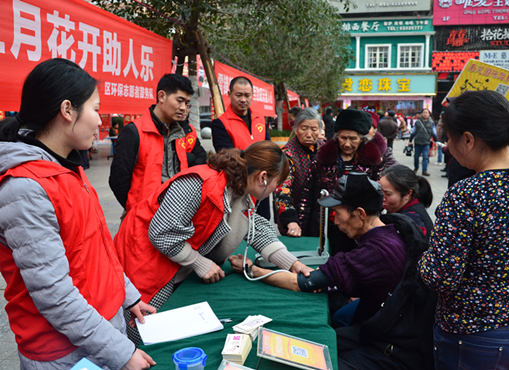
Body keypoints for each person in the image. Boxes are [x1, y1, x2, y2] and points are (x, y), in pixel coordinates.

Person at [0, 59, 155, 369]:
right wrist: (120, 352)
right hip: (62, 352)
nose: (100, 121)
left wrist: (129, 296)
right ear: (67, 110)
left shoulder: (67, 167)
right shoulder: (26, 189)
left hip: (98, 329)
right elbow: (54, 294)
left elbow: (97, 249)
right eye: (96, 109)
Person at [229, 172, 437, 370]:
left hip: (398, 349)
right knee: (323, 341)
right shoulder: (392, 230)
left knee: (319, 359)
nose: (335, 222)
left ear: (361, 214)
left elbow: (301, 283)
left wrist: (251, 269)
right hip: (390, 326)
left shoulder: (374, 251)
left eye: (338, 213)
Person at [114, 141, 314, 343]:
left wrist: (293, 264)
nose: (275, 189)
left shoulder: (238, 189)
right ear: (263, 177)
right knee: (142, 334)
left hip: (169, 263)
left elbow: (255, 227)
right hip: (143, 265)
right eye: (276, 183)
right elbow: (162, 234)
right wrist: (199, 262)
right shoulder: (198, 183)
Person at [419, 90, 509, 369]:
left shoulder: (468, 193)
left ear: (468, 139)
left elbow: (442, 276)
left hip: (476, 337)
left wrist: (422, 259)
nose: (448, 148)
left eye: (449, 140)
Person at [109, 74, 206, 212]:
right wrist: (135, 210)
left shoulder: (181, 132)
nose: (184, 108)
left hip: (176, 215)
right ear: (161, 96)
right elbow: (118, 181)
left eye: (187, 103)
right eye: (179, 100)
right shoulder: (134, 132)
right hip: (142, 219)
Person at [311, 109, 386, 255]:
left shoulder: (374, 162)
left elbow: (378, 194)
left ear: (362, 139)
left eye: (353, 139)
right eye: (343, 137)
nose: (346, 143)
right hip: (327, 223)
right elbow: (310, 191)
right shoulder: (322, 159)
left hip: (358, 225)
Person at [211, 76, 272, 219]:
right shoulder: (220, 124)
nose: (243, 99)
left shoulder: (260, 119)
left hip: (261, 186)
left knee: (262, 226)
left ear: (252, 96)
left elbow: (269, 148)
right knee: (237, 230)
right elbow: (229, 158)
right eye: (238, 95)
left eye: (247, 95)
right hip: (238, 188)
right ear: (229, 94)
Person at [275, 108, 324, 237]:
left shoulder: (325, 150)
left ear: (319, 130)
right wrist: (290, 219)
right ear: (296, 129)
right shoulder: (288, 154)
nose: (309, 134)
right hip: (296, 220)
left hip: (321, 219)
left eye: (313, 129)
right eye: (304, 128)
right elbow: (282, 189)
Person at [378, 165, 433, 236]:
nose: (382, 198)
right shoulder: (398, 207)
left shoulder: (412, 219)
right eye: (380, 191)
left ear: (408, 193)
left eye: (388, 194)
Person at [408, 108, 437, 176]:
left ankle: (424, 170)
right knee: (416, 156)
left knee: (425, 157)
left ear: (429, 114)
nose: (425, 114)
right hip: (417, 142)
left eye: (426, 113)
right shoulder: (417, 122)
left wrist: (436, 141)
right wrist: (410, 141)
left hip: (426, 143)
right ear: (421, 114)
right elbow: (413, 132)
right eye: (424, 112)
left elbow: (434, 133)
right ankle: (416, 167)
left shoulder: (431, 123)